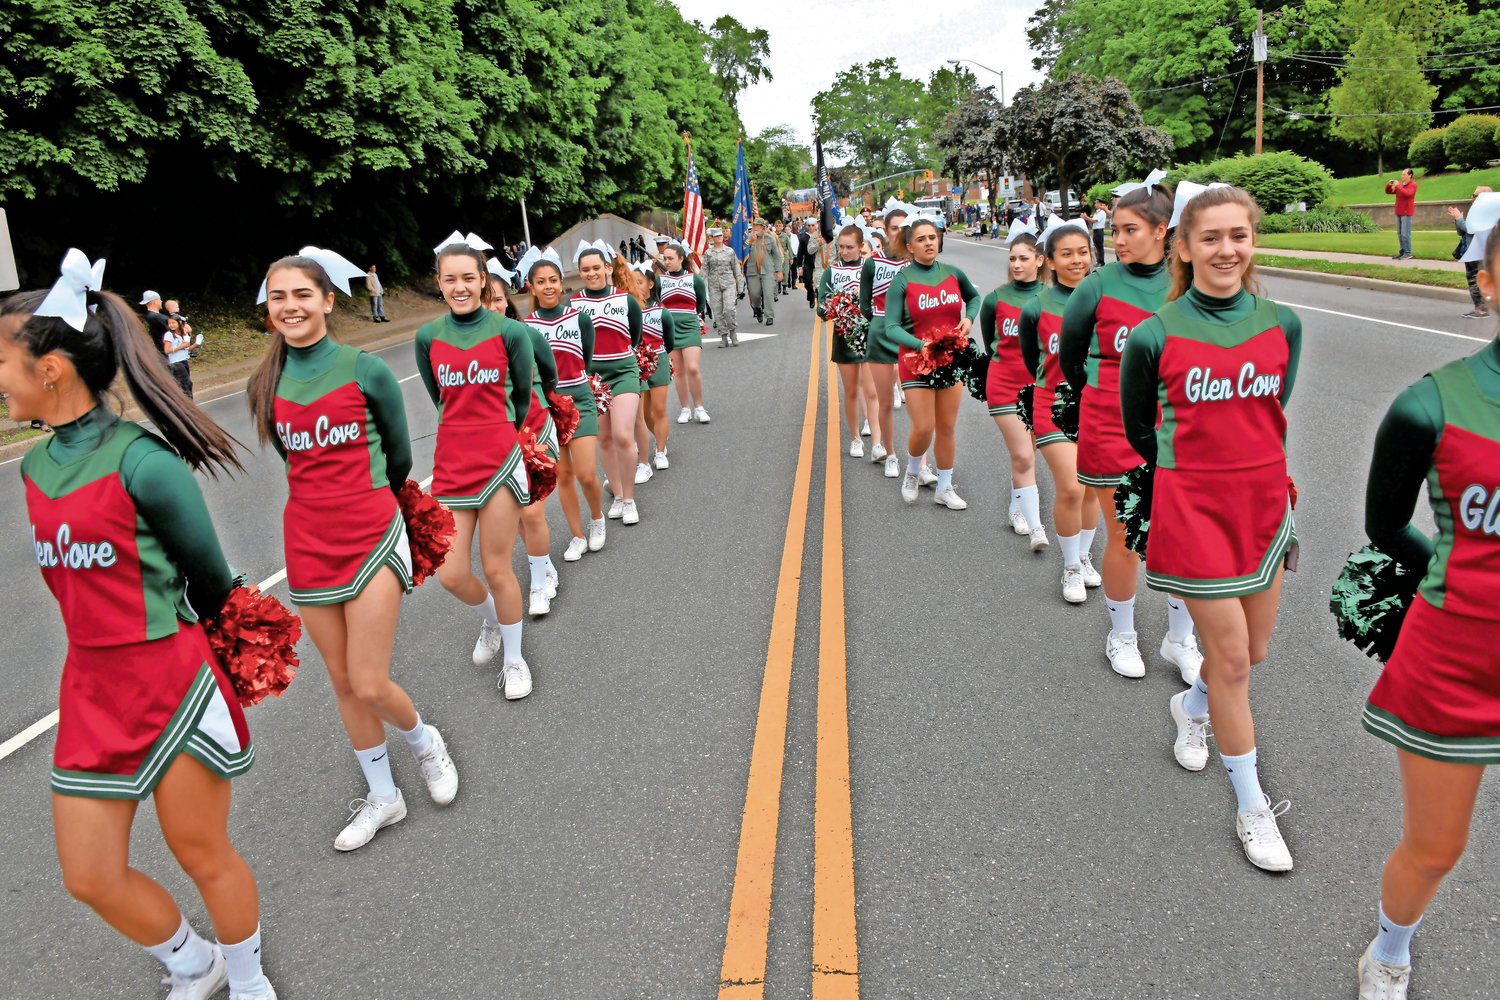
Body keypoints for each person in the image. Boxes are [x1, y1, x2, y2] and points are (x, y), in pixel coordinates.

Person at [8, 255, 276, 999]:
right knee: (88, 874)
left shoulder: (143, 463)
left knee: (200, 849)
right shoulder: (34, 470)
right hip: (91, 689)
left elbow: (212, 582)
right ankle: (195, 962)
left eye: (4, 360)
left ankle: (252, 985)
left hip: (170, 682)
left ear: (52, 369)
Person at [250, 248, 459, 853]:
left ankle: (425, 742)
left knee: (369, 680)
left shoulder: (363, 369)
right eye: (278, 297)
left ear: (327, 300)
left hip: (371, 532)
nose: (289, 307)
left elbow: (397, 456)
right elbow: (297, 462)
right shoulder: (264, 382)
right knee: (342, 680)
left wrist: (370, 501)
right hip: (307, 545)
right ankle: (383, 797)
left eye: (301, 295)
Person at [1120, 185, 1303, 873]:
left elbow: (1271, 411)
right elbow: (1144, 432)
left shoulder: (1282, 324)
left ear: (1253, 241)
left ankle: (1189, 705)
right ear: (1184, 247)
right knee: (1228, 661)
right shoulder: (1155, 334)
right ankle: (1253, 807)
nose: (1227, 249)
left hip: (1262, 510)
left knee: (1251, 654)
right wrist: (1194, 473)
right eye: (1211, 237)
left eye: (1239, 236)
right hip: (1194, 513)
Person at [1352, 217, 1500, 1000]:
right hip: (1458, 660)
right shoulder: (1430, 405)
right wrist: (1451, 575)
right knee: (1437, 847)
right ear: (1487, 280)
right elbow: (1384, 527)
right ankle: (1390, 947)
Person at [1061, 178, 1203, 682]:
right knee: (1123, 535)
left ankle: (1179, 637)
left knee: (1181, 536)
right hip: (1110, 422)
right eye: (1115, 229)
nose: (1116, 239)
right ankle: (1121, 632)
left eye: (1129, 229)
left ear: (1162, 230)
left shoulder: (1187, 284)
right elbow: (1070, 354)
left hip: (1174, 424)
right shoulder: (1099, 284)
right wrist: (1103, 396)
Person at [416, 238, 536, 699]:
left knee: (498, 566)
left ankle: (514, 659)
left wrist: (498, 433)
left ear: (483, 280)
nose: (460, 287)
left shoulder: (509, 332)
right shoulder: (427, 337)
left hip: (499, 460)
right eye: (451, 279)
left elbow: (521, 400)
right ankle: (490, 620)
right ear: (439, 283)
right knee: (449, 573)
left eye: (469, 278)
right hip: (451, 464)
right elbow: (438, 398)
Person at [1019, 218, 1102, 605]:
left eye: (1083, 253)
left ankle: (1084, 556)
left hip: (1100, 407)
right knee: (1072, 486)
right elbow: (1031, 360)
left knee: (1093, 491)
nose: (1076, 260)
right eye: (1066, 254)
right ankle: (1069, 566)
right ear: (1048, 261)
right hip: (1052, 403)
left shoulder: (1108, 300)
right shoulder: (1036, 307)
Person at [881, 216, 981, 509]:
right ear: (910, 246)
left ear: (939, 240)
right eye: (921, 239)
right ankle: (913, 471)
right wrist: (920, 345)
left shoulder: (953, 273)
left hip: (949, 359)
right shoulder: (902, 281)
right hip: (915, 361)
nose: (928, 243)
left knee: (947, 427)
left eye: (932, 237)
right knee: (924, 427)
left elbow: (973, 298)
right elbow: (891, 327)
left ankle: (945, 487)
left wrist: (967, 318)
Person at [521, 248, 608, 555]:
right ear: (531, 286)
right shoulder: (526, 327)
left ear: (561, 284)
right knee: (563, 475)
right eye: (541, 281)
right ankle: (577, 535)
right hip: (548, 407)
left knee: (586, 472)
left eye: (554, 280)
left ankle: (597, 519)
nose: (548, 286)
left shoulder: (580, 319)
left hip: (580, 399)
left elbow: (584, 359)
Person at [492, 268, 562, 612]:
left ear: (508, 301)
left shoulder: (524, 333)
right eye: (484, 300)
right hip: (500, 439)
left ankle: (537, 585)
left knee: (532, 512)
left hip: (536, 428)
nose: (492, 306)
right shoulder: (469, 346)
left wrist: (541, 401)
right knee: (520, 513)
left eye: (497, 299)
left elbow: (550, 372)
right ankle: (543, 564)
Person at [979, 225, 1048, 550]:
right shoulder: (996, 299)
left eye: (1024, 258)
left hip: (1041, 387)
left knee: (1028, 453)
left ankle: (1016, 505)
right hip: (1004, 383)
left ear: (1040, 260)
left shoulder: (1051, 298)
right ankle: (1037, 529)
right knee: (1022, 453)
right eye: (1013, 259)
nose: (1017, 264)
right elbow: (991, 339)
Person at [571, 244, 646, 516]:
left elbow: (635, 337)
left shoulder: (625, 300)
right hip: (592, 378)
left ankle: (629, 500)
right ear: (580, 273)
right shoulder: (573, 304)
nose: (592, 273)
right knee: (604, 439)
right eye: (585, 269)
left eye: (596, 267)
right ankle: (616, 493)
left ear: (608, 268)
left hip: (624, 371)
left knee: (623, 435)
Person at [860, 205, 916, 480]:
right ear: (885, 230)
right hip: (882, 333)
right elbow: (864, 304)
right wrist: (881, 321)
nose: (901, 233)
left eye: (906, 228)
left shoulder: (914, 262)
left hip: (911, 335)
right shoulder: (873, 262)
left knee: (918, 404)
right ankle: (891, 454)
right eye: (895, 228)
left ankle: (921, 464)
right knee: (885, 402)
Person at [819, 223, 882, 460]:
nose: (844, 252)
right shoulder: (831, 271)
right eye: (841, 247)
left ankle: (877, 441)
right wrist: (838, 305)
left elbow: (882, 299)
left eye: (849, 247)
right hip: (844, 336)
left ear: (860, 246)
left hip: (869, 335)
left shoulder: (872, 268)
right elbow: (821, 309)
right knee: (851, 391)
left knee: (872, 391)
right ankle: (856, 438)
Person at [656, 241, 710, 425]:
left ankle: (699, 407)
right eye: (665, 258)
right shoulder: (660, 281)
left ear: (681, 258)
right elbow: (656, 304)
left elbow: (701, 304)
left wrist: (696, 319)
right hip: (669, 329)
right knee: (678, 372)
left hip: (689, 326)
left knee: (692, 368)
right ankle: (685, 408)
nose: (667, 261)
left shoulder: (694, 279)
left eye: (671, 258)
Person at [1449, 186, 1494, 319]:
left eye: (1475, 195)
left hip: (1478, 252)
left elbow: (1471, 228)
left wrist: (1459, 219)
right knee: (1473, 280)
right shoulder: (1477, 211)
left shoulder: (1486, 212)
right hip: (1470, 251)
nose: (1472, 198)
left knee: (1476, 280)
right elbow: (1461, 231)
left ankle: (1482, 309)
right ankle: (1479, 307)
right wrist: (1457, 220)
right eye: (1473, 195)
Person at [702, 227, 745, 348]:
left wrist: (740, 286)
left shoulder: (730, 251)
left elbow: (736, 269)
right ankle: (723, 336)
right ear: (713, 238)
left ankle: (733, 332)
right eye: (716, 236)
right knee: (718, 312)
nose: (719, 238)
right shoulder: (708, 253)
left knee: (729, 309)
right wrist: (698, 284)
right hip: (714, 285)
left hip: (729, 284)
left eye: (720, 236)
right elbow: (704, 271)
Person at [743, 218, 783, 327]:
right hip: (753, 270)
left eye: (758, 226)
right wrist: (750, 242)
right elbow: (742, 252)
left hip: (768, 270)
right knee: (755, 294)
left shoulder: (770, 238)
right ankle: (758, 308)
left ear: (763, 228)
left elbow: (776, 256)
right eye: (754, 226)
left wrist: (779, 271)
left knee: (768, 293)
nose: (756, 228)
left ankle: (769, 316)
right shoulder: (747, 239)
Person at [1386, 168, 1419, 260]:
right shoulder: (1400, 186)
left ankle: (1408, 253)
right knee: (1400, 233)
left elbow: (1408, 194)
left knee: (1405, 234)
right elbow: (1388, 192)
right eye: (1402, 174)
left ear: (1410, 175)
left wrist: (1398, 186)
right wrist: (1389, 185)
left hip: (1406, 212)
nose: (1402, 176)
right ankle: (1403, 252)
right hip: (1398, 212)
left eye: (1404, 174)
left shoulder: (1413, 185)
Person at [162, 311, 194, 398]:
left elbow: (187, 347)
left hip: (184, 361)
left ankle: (188, 403)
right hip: (176, 363)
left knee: (186, 385)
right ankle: (189, 405)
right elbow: (167, 350)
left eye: (173, 323)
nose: (171, 325)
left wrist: (195, 344)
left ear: (179, 322)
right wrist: (180, 346)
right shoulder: (169, 335)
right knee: (186, 384)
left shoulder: (182, 333)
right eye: (169, 323)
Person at [802, 223, 827, 310]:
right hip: (814, 264)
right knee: (811, 283)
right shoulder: (813, 236)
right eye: (809, 225)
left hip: (831, 266)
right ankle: (817, 302)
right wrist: (818, 244)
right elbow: (808, 250)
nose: (811, 227)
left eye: (812, 225)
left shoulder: (835, 235)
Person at [1091, 198, 1109, 266]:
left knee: (1099, 247)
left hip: (1099, 230)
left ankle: (1101, 262)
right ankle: (1098, 261)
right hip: (1096, 230)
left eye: (1096, 203)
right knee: (1096, 246)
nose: (1095, 204)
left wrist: (1086, 218)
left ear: (1100, 204)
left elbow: (1095, 220)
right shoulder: (1097, 212)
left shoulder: (1101, 212)